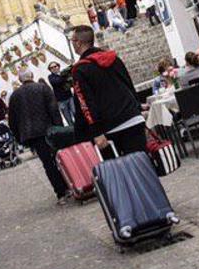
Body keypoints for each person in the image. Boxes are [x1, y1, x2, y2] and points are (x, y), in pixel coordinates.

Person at [68, 25, 146, 157]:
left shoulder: (80, 69)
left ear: (78, 43)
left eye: (72, 41)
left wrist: (96, 132)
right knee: (143, 167)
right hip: (133, 118)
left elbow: (85, 103)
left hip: (111, 127)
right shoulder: (113, 58)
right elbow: (129, 84)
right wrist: (137, 108)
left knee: (119, 173)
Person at [8, 71, 70, 203]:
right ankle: (68, 186)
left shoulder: (15, 96)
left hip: (33, 134)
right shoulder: (43, 88)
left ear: (20, 80)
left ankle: (61, 193)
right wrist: (60, 128)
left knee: (48, 164)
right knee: (59, 158)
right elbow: (54, 109)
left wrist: (20, 138)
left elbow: (12, 121)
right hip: (49, 130)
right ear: (32, 77)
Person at [46, 61, 75, 125]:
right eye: (51, 67)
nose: (54, 68)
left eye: (55, 66)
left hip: (69, 97)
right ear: (50, 70)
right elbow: (57, 82)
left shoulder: (63, 73)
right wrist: (65, 76)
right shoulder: (50, 77)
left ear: (58, 66)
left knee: (75, 112)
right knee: (68, 118)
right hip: (61, 101)